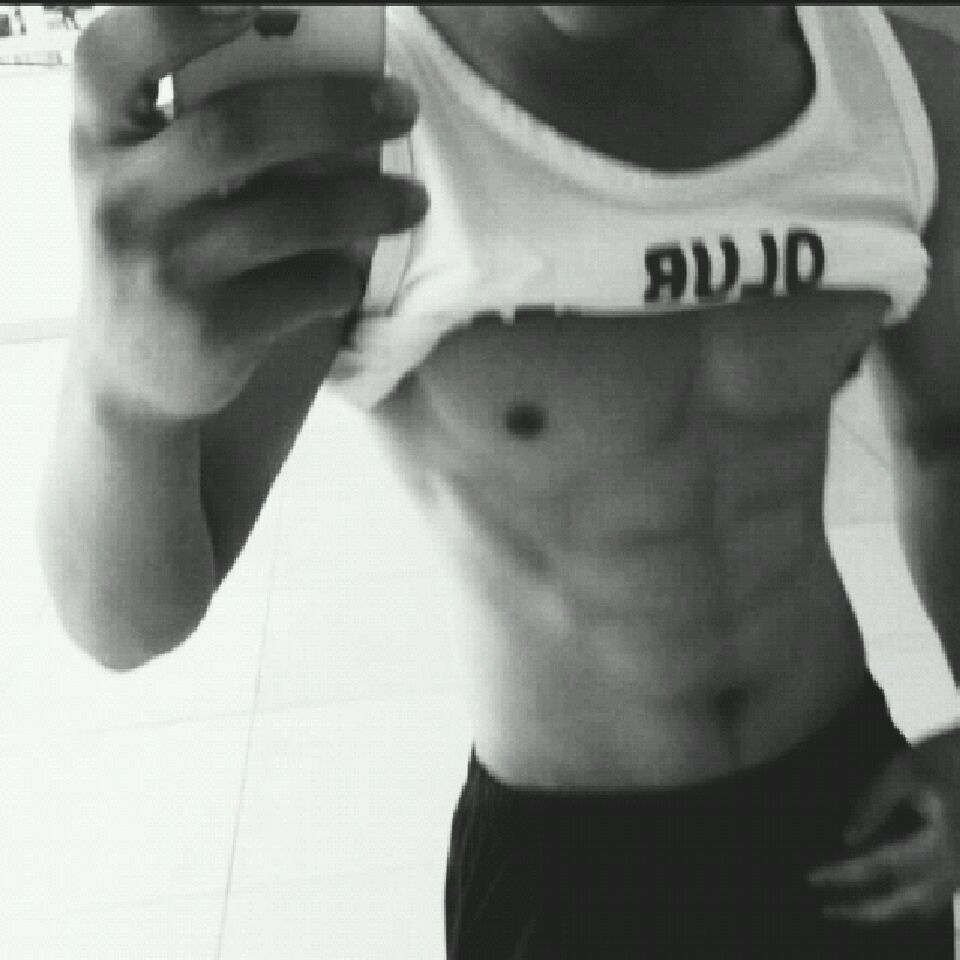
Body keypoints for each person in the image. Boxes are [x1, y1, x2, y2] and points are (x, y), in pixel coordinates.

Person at [35, 5, 960, 958]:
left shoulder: (907, 92)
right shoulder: (354, 128)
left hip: (854, 809)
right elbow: (126, 619)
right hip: (570, 871)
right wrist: (120, 394)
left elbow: (945, 439)